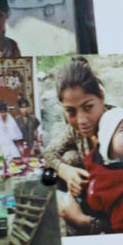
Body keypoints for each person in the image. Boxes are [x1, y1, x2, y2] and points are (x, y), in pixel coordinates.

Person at [43, 58, 115, 234]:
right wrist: (67, 172)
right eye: (71, 111)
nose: (81, 121)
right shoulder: (75, 131)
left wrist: (82, 221)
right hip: (91, 201)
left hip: (112, 221)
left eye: (88, 107)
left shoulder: (122, 132)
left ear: (101, 96)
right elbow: (49, 153)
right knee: (69, 159)